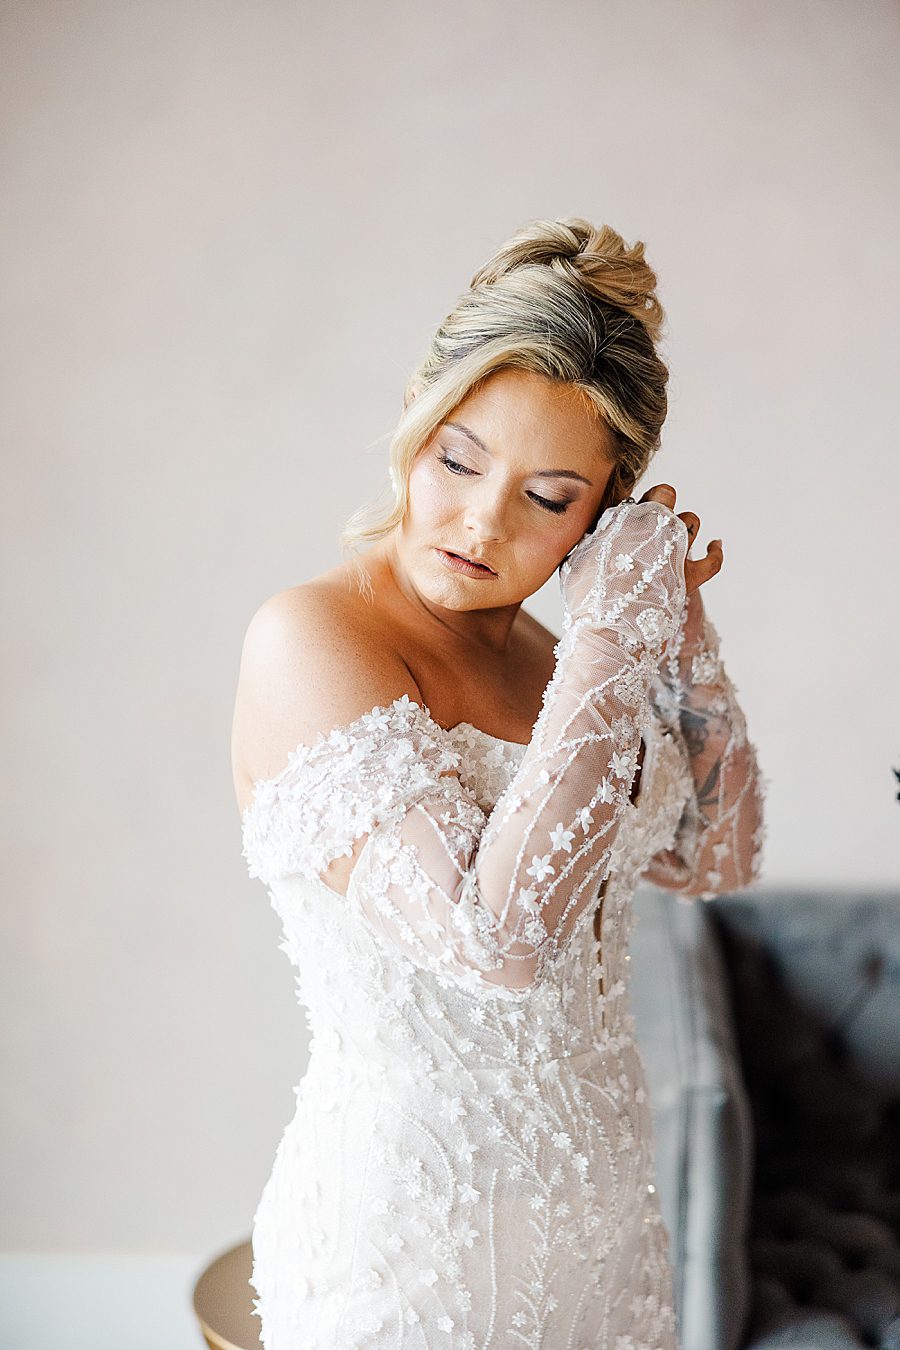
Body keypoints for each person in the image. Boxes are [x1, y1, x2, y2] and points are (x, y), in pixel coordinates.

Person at [231, 216, 766, 1349]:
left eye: (548, 496)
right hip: (410, 1254)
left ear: (605, 508)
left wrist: (677, 623)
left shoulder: (565, 663)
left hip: (611, 1230)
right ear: (418, 423)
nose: (481, 521)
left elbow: (715, 854)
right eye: (460, 459)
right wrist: (617, 626)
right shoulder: (312, 638)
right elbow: (498, 942)